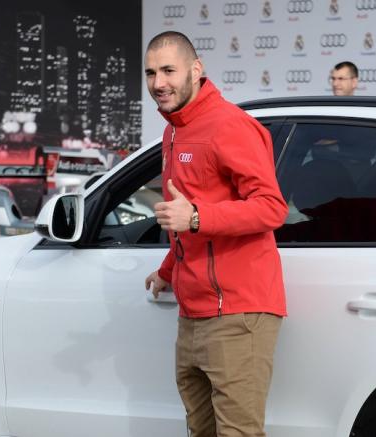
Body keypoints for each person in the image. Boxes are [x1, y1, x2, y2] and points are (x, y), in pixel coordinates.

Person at [143, 31, 288, 436]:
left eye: (169, 70)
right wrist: (169, 269)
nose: (159, 83)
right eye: (151, 73)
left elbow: (272, 207)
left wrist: (195, 218)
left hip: (238, 311)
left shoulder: (229, 125)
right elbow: (186, 210)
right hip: (193, 313)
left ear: (196, 69)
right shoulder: (173, 132)